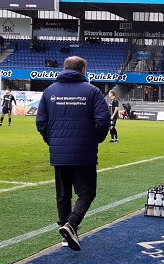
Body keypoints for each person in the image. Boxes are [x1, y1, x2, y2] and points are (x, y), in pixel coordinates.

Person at [36, 56, 110, 251]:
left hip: (59, 151)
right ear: (83, 70)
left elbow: (41, 122)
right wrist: (96, 139)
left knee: (63, 194)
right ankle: (71, 224)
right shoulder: (92, 91)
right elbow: (103, 119)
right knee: (87, 192)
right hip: (84, 151)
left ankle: (66, 234)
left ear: (64, 68)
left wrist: (52, 141)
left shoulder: (49, 91)